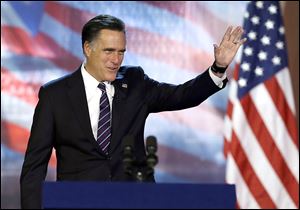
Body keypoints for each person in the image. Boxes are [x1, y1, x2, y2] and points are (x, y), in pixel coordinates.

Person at [20, 14, 246, 209]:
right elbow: (34, 167)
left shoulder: (135, 82)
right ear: (87, 48)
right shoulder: (55, 95)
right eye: (109, 51)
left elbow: (182, 95)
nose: (116, 60)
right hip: (78, 202)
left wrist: (218, 68)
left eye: (121, 52)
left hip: (135, 201)